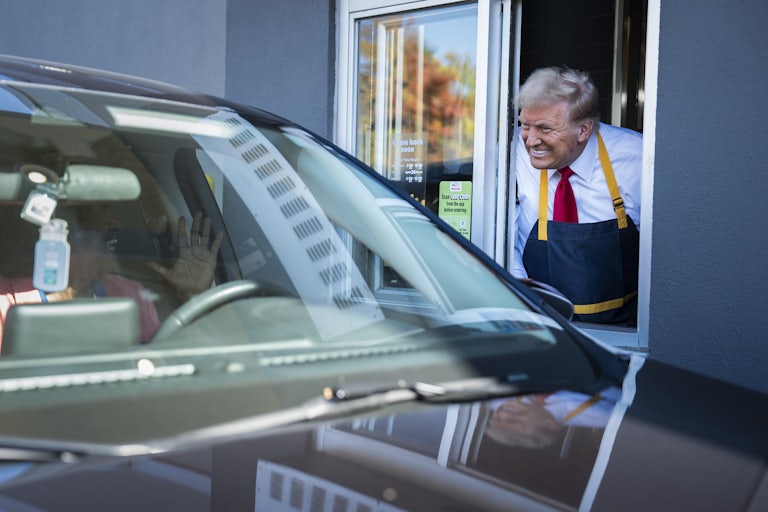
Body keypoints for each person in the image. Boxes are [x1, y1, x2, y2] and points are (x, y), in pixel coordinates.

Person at [513, 66, 643, 325]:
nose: (530, 140)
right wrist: (515, 278)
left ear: (583, 130)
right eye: (525, 125)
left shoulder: (637, 158)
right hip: (542, 324)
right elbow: (501, 226)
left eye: (545, 129)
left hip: (621, 329)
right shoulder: (512, 152)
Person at [0, 210, 222, 345]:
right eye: (98, 216)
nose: (116, 224)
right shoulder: (6, 301)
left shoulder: (130, 293)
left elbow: (179, 357)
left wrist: (194, 296)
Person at [484, 388, 620, 448]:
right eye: (515, 420)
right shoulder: (603, 415)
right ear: (551, 424)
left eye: (495, 418)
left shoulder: (496, 399)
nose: (503, 413)